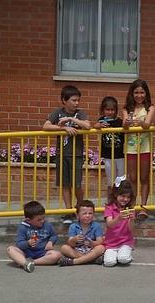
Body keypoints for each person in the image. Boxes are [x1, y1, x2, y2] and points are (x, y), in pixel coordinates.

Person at [42, 85, 91, 224]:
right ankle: (69, 211)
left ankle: (81, 209)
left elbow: (87, 125)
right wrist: (63, 127)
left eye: (78, 100)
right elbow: (45, 126)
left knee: (76, 184)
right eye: (73, 100)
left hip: (76, 154)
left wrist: (73, 121)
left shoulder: (80, 113)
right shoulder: (57, 113)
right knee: (64, 184)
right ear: (64, 100)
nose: (76, 103)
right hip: (62, 154)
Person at [122, 79, 155, 220]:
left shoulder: (150, 107)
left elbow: (147, 124)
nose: (139, 95)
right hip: (130, 147)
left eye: (142, 92)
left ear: (146, 93)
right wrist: (127, 122)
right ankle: (132, 206)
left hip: (145, 147)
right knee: (132, 178)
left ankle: (143, 207)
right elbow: (124, 126)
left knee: (144, 177)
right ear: (132, 93)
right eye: (136, 92)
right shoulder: (126, 108)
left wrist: (140, 122)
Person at [6, 201, 62, 272]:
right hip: (26, 252)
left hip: (42, 253)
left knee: (57, 255)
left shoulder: (47, 225)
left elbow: (54, 236)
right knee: (10, 249)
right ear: (28, 220)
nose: (42, 221)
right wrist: (27, 243)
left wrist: (51, 242)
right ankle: (24, 262)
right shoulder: (23, 227)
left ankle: (29, 262)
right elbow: (19, 244)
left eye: (43, 218)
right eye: (39, 220)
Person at [93, 96, 125, 197]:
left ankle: (121, 199)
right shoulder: (102, 120)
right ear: (103, 110)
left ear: (116, 110)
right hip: (107, 155)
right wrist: (98, 126)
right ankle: (110, 200)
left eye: (112, 110)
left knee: (121, 178)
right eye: (107, 110)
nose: (110, 112)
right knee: (111, 180)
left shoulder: (119, 121)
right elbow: (95, 126)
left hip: (120, 154)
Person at [58, 200, 105, 266]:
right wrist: (74, 239)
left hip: (91, 250)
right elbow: (70, 243)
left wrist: (92, 243)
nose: (87, 216)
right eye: (84, 213)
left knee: (101, 248)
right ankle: (91, 259)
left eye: (90, 213)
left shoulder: (96, 226)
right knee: (64, 248)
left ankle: (74, 261)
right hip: (77, 251)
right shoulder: (73, 226)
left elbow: (100, 241)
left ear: (93, 214)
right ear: (77, 215)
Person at [103, 177, 137, 267]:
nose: (125, 199)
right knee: (109, 263)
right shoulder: (109, 208)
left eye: (128, 197)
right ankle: (113, 255)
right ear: (115, 194)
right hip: (111, 243)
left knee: (123, 259)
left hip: (125, 242)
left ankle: (125, 255)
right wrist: (118, 218)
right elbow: (109, 224)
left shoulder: (130, 209)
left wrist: (132, 219)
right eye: (123, 196)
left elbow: (131, 230)